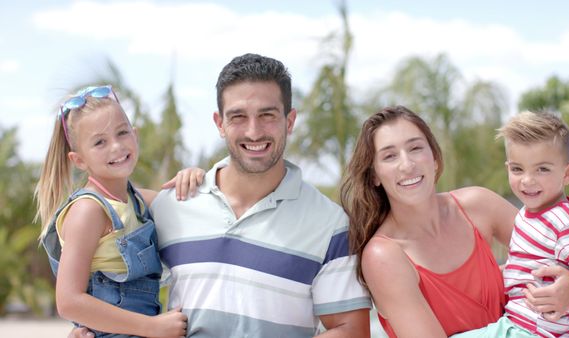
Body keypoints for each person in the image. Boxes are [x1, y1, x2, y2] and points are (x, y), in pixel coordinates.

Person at [62, 54, 372, 338]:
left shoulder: (331, 224)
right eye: (238, 117)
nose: (253, 131)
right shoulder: (174, 203)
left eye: (267, 115)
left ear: (289, 121)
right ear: (219, 124)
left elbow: (351, 331)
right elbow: (107, 247)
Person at [340, 105, 569, 337]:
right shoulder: (384, 256)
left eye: (415, 148)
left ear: (434, 158)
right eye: (390, 156)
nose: (407, 164)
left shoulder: (478, 205)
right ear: (375, 176)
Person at [36, 85, 203, 337]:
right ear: (79, 160)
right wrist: (153, 327)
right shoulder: (89, 210)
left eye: (122, 132)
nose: (116, 146)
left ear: (135, 136)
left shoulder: (137, 200)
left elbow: (185, 204)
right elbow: (68, 301)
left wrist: (194, 176)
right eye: (100, 142)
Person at [453, 111, 569, 337]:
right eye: (517, 169)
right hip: (518, 325)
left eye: (542, 169)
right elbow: (528, 269)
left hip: (530, 331)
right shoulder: (529, 215)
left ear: (568, 173)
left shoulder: (564, 221)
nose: (527, 180)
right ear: (507, 167)